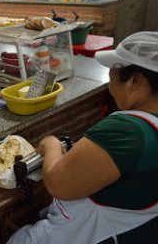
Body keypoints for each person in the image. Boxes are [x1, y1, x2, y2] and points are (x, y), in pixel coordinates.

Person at [8, 31, 158, 244]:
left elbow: (59, 184)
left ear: (134, 81)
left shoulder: (127, 131)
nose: (110, 87)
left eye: (112, 79)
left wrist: (51, 145)